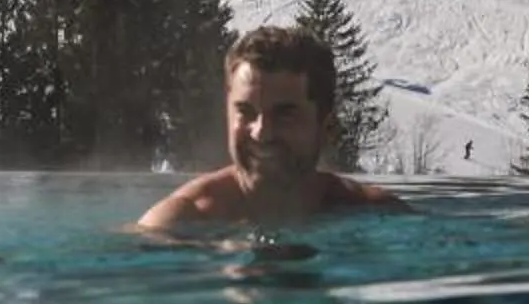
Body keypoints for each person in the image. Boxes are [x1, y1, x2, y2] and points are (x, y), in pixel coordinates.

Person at [136, 25, 410, 232]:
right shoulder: (179, 224)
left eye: (284, 115)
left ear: (327, 127)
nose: (261, 133)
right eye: (245, 112)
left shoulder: (373, 215)